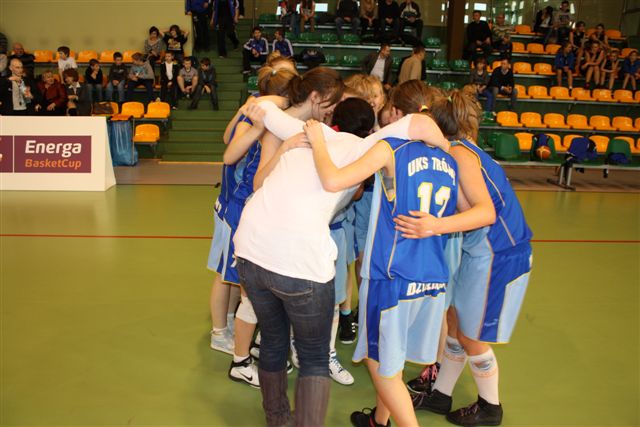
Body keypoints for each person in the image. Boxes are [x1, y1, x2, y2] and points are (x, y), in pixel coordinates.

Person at [236, 75, 450, 427]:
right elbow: (422, 123)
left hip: (250, 248)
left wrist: (286, 101)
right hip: (299, 258)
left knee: (273, 340)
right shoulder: (367, 145)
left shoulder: (306, 131)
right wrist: (446, 148)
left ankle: (277, 419)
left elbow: (258, 106)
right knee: (314, 356)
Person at [407, 90, 532, 427]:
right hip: (481, 250)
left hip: (499, 253)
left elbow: (485, 213)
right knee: (456, 321)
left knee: (471, 336)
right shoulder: (461, 150)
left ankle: (490, 407)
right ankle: (441, 394)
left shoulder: (460, 154)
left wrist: (435, 225)